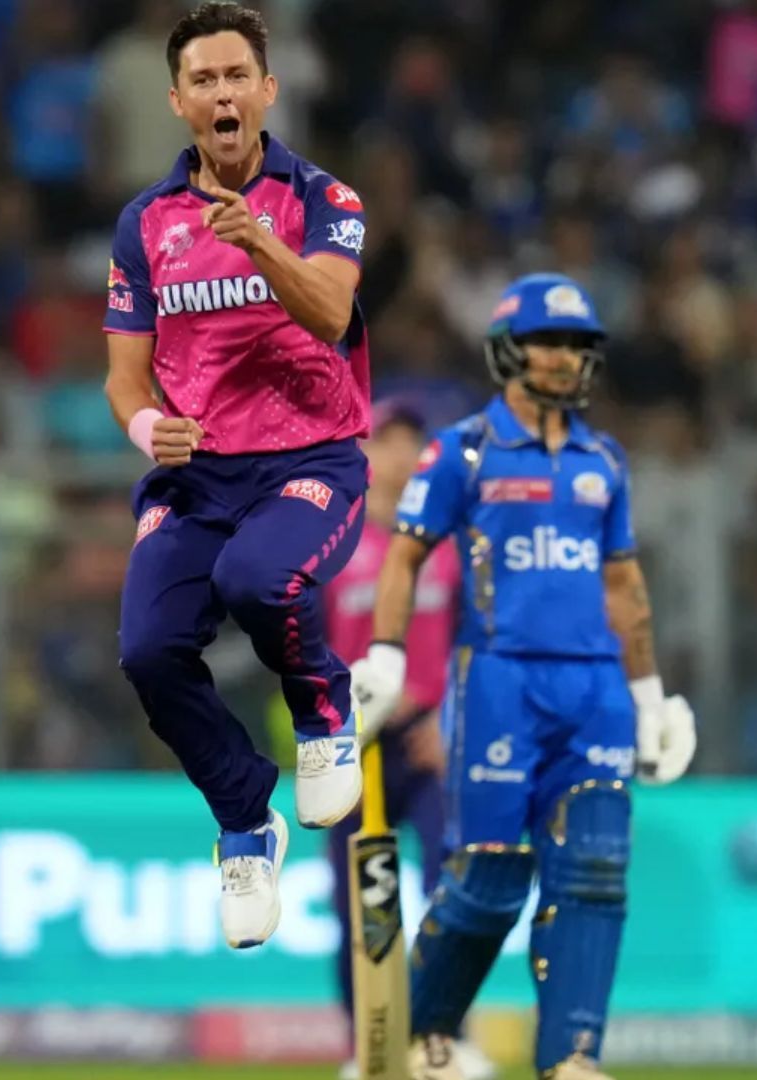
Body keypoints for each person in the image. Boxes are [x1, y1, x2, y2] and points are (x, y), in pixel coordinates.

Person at [349, 274, 698, 1080]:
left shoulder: (603, 459)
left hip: (598, 690)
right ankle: (414, 1038)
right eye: (550, 341)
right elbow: (405, 556)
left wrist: (650, 698)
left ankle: (573, 1056)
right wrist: (389, 658)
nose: (565, 359)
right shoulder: (462, 450)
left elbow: (624, 588)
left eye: (579, 346)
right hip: (501, 681)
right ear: (510, 350)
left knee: (597, 871)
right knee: (489, 879)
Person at [103, 1, 372, 950]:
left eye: (235, 77)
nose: (222, 94)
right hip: (199, 477)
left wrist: (259, 240)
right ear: (178, 102)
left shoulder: (325, 201)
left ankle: (324, 711)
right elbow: (124, 376)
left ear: (268, 90)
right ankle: (242, 817)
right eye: (202, 81)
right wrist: (148, 428)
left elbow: (332, 316)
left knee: (257, 579)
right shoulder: (146, 225)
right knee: (147, 649)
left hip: (310, 458)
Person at [321, 400, 497, 1080]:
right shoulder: (329, 544)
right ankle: (367, 1045)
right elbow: (299, 648)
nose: (397, 456)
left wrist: (451, 723)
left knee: (454, 890)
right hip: (354, 747)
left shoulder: (450, 545)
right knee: (357, 906)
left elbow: (477, 645)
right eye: (383, 442)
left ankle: (444, 1038)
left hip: (431, 746)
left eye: (410, 444)